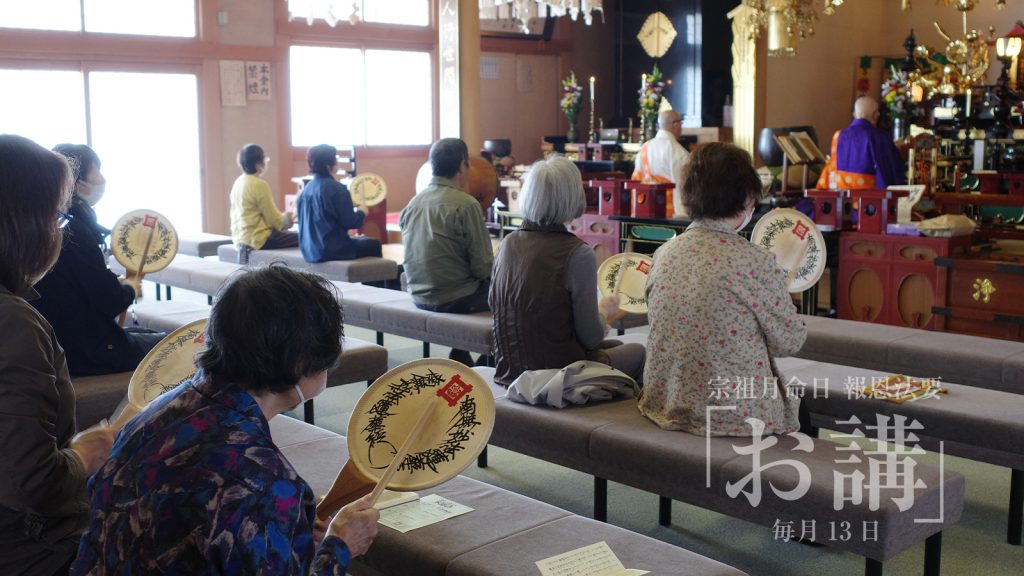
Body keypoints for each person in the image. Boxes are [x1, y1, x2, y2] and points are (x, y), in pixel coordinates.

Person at [71, 265, 379, 574]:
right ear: (302, 361)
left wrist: (287, 527)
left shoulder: (157, 410)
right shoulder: (262, 480)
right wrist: (340, 544)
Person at [0, 134, 116, 575]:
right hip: (32, 552)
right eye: (57, 217)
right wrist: (82, 456)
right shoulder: (12, 324)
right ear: (22, 222)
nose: (59, 230)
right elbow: (31, 483)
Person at [639, 143, 807, 437]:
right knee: (800, 407)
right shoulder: (753, 260)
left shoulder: (664, 253)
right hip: (733, 415)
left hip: (665, 403)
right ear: (746, 196)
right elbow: (789, 342)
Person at [490, 156, 645, 386]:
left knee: (618, 347)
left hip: (509, 370)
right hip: (557, 376)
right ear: (572, 196)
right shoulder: (576, 253)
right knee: (639, 352)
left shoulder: (508, 244)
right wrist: (604, 310)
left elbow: (495, 304)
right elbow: (591, 338)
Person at [31, 144, 166, 377]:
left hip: (53, 344)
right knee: (173, 345)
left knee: (148, 333)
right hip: (82, 351)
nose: (102, 179)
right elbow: (108, 300)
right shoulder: (73, 229)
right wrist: (131, 286)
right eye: (97, 173)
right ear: (75, 182)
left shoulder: (40, 223)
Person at [400, 138, 493, 365]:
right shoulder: (466, 204)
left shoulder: (413, 203)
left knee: (452, 271)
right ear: (462, 166)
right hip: (456, 298)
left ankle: (461, 351)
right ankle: (487, 360)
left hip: (418, 295)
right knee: (514, 292)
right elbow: (483, 267)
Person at [297, 144, 382, 262]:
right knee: (374, 244)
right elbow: (351, 222)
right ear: (328, 165)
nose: (337, 162)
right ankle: (374, 279)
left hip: (309, 249)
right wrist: (362, 212)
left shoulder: (306, 189)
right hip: (331, 249)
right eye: (335, 159)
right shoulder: (337, 189)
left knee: (361, 241)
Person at [816, 96, 905, 190]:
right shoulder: (879, 137)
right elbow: (891, 169)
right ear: (876, 115)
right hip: (869, 199)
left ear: (854, 114)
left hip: (840, 198)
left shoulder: (838, 135)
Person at [229, 143, 298, 264]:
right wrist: (289, 217)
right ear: (258, 165)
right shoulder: (259, 184)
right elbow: (275, 220)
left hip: (241, 239)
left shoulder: (238, 182)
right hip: (258, 239)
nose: (266, 162)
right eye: (264, 159)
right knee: (303, 238)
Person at [631, 109, 690, 218]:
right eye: (681, 123)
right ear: (675, 125)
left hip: (645, 208)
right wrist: (683, 216)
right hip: (669, 212)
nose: (681, 127)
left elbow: (636, 180)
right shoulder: (678, 152)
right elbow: (682, 187)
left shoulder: (644, 148)